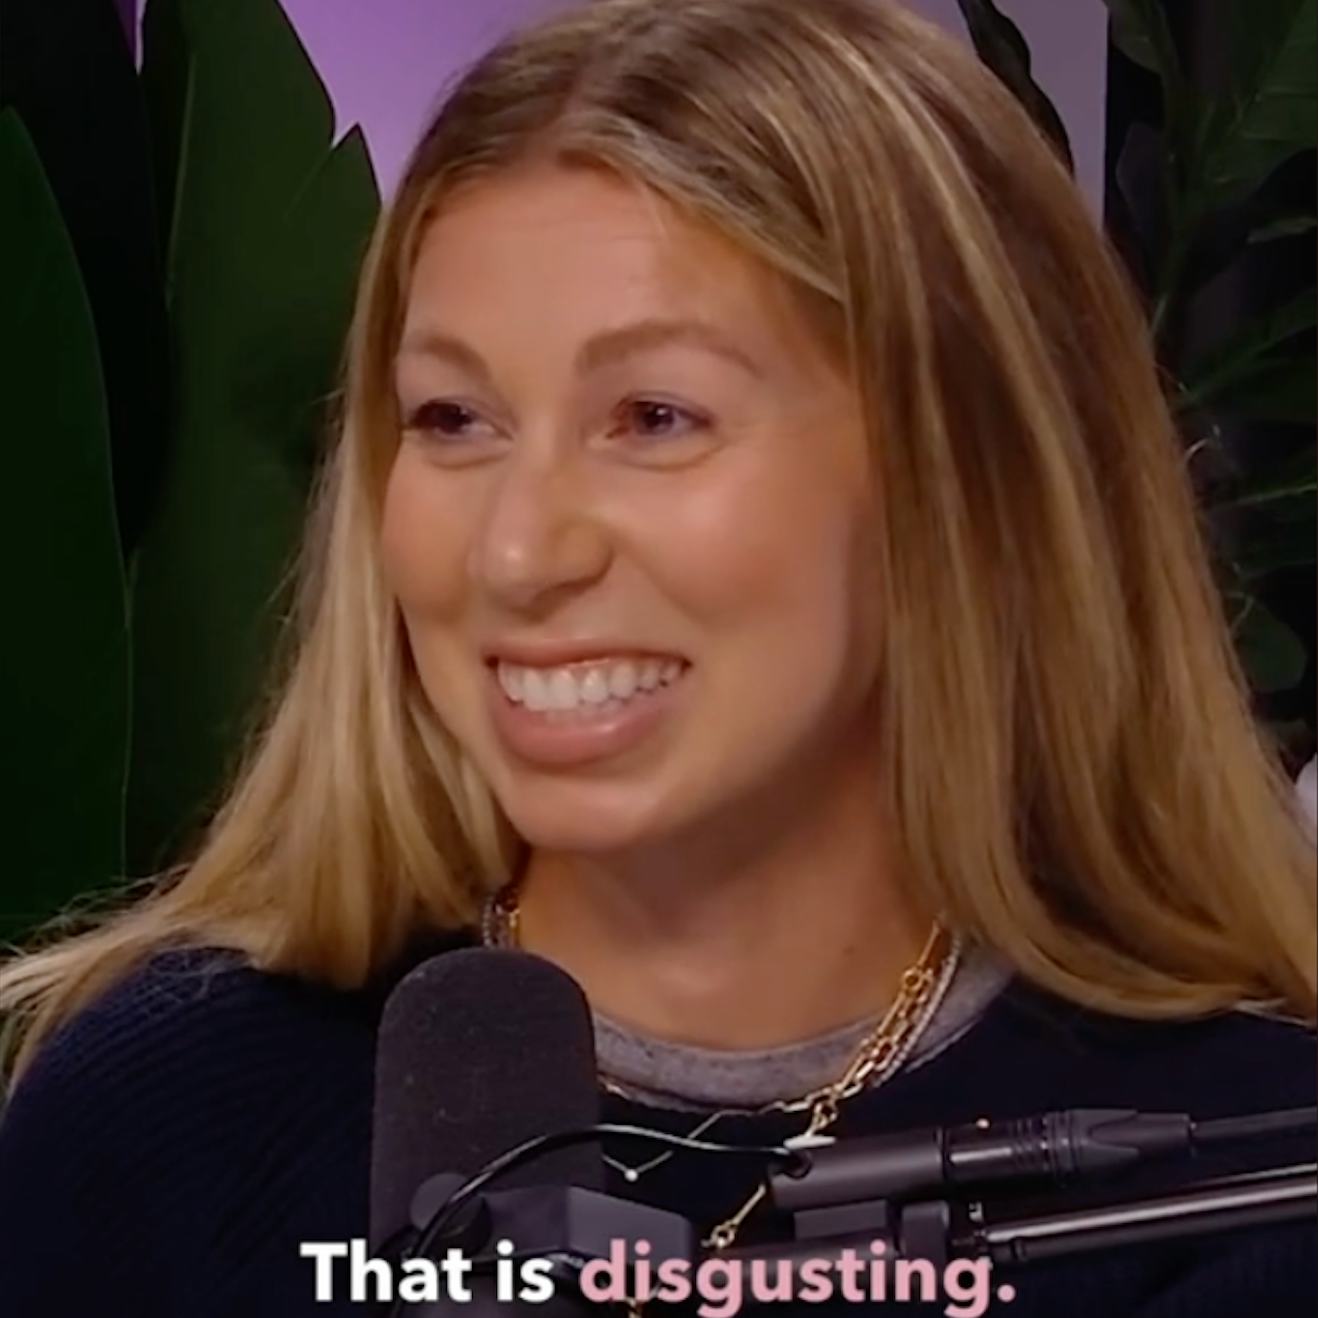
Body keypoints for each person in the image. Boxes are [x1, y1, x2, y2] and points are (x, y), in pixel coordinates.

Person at [1, 0, 1313, 1314]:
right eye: (452, 418)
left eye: (652, 416)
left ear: (963, 482)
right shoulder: (155, 1117)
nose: (517, 553)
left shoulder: (1242, 1182)